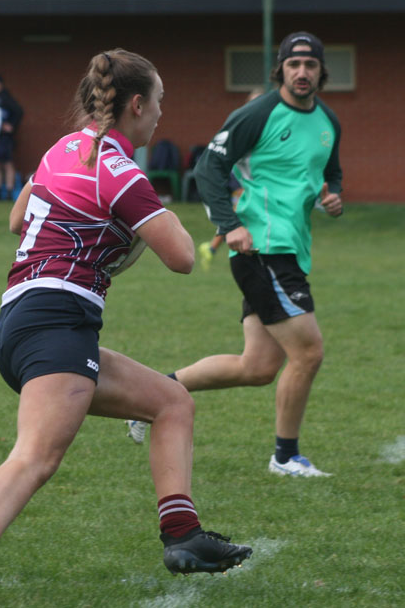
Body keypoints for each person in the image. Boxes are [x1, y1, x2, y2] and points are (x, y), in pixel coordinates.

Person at [0, 49, 252, 608]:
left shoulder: (61, 149)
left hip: (27, 318)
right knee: (35, 456)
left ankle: (184, 537)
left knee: (171, 401)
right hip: (57, 321)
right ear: (137, 104)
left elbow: (16, 219)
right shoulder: (121, 171)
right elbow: (182, 257)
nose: (161, 115)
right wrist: (147, 217)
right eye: (160, 102)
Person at [128, 32, 343, 479]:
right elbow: (209, 166)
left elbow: (331, 171)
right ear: (281, 70)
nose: (302, 72)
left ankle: (153, 393)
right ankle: (286, 458)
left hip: (292, 249)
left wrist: (332, 195)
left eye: (310, 64)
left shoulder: (328, 122)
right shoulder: (258, 113)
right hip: (262, 247)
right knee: (308, 352)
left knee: (258, 367)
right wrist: (230, 226)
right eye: (293, 64)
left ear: (322, 71)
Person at [197, 88, 262, 272]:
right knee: (236, 215)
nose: (257, 108)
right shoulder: (241, 128)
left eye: (260, 103)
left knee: (239, 217)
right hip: (235, 182)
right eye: (253, 103)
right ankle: (212, 249)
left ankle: (211, 249)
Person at [0, 73, 23, 200]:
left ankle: (9, 191)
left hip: (4, 137)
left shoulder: (5, 97)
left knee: (7, 163)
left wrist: (11, 125)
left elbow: (18, 111)